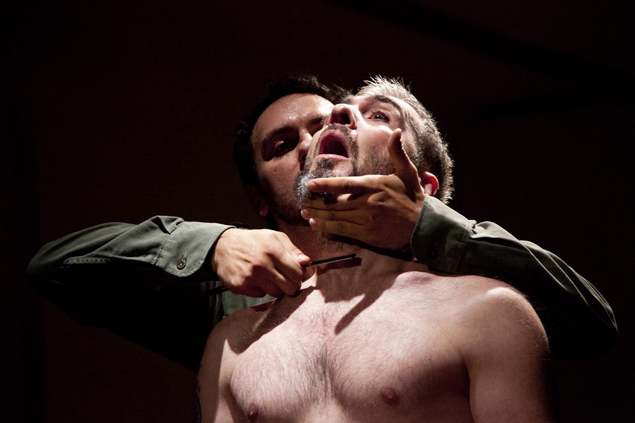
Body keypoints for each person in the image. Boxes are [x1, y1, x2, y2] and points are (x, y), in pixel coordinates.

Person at [27, 75, 616, 373]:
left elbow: (591, 327)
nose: (314, 143)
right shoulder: (229, 311)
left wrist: (423, 225)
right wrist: (209, 244)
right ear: (259, 200)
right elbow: (53, 267)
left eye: (325, 125)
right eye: (282, 146)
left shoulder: (459, 289)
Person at [197, 78, 555, 422]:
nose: (338, 115)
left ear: (422, 186)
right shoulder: (233, 342)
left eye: (379, 115)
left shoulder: (485, 312)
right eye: (335, 116)